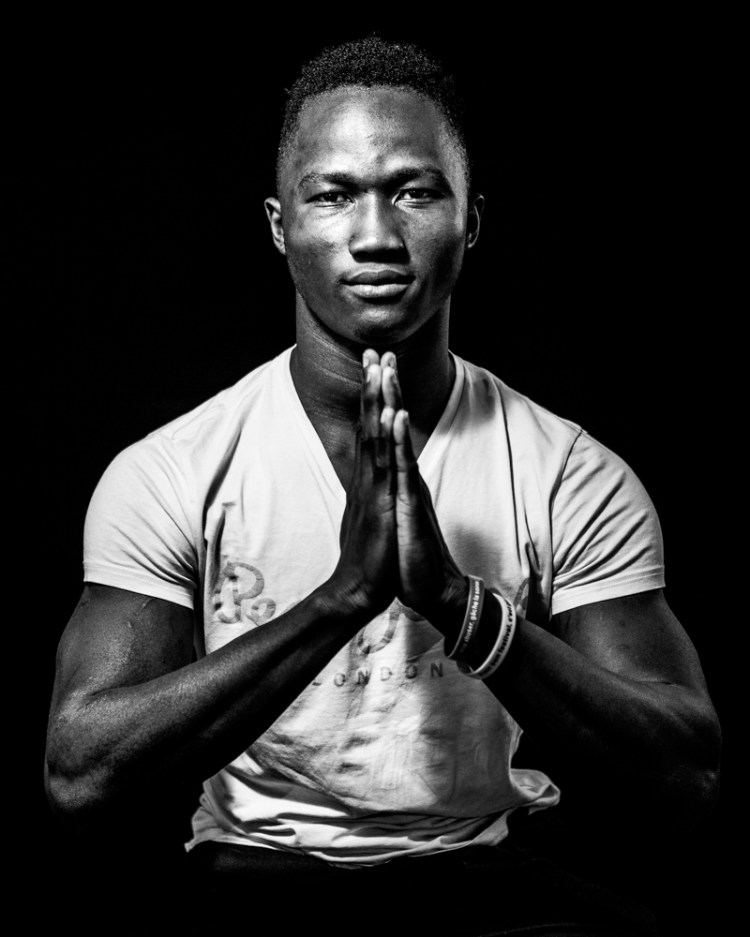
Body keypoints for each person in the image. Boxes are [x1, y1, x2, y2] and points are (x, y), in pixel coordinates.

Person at [45, 36, 721, 936]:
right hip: (252, 878)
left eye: (414, 191)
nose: (374, 236)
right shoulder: (173, 470)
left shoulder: (568, 472)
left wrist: (458, 605)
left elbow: (685, 774)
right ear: (280, 224)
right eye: (333, 195)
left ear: (470, 220)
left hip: (481, 874)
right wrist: (342, 600)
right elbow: (81, 774)